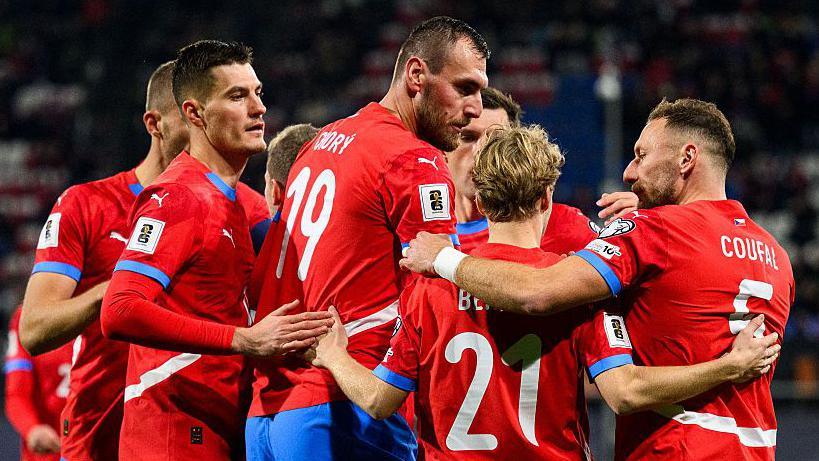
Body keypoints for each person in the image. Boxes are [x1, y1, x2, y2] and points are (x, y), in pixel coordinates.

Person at [308, 124, 779, 459]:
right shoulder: (580, 292)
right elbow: (623, 390)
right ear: (546, 197)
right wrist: (728, 366)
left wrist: (333, 354)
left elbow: (378, 400)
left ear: (481, 200)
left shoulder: (427, 289)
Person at [247, 16, 489, 461]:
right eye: (464, 88)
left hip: (268, 413)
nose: (474, 108)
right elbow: (437, 293)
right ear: (416, 76)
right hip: (347, 407)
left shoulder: (322, 141)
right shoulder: (415, 160)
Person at [99, 41, 333, 461]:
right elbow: (119, 310)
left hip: (219, 426)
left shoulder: (238, 204)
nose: (258, 108)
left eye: (258, 92)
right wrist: (244, 339)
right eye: (237, 96)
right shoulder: (178, 197)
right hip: (173, 433)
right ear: (195, 114)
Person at [18, 60, 188, 460]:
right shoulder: (86, 205)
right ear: (155, 124)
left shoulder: (239, 213)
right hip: (99, 437)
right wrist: (113, 292)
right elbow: (35, 328)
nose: (204, 132)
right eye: (191, 118)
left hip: (188, 435)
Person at [447, 86, 599, 254]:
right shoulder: (427, 238)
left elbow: (618, 263)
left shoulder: (566, 228)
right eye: (467, 137)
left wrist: (624, 224)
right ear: (443, 147)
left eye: (496, 140)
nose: (480, 152)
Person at [5, 306, 71, 461]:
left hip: (94, 446)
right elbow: (16, 393)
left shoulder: (107, 310)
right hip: (47, 452)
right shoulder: (27, 317)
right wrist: (32, 429)